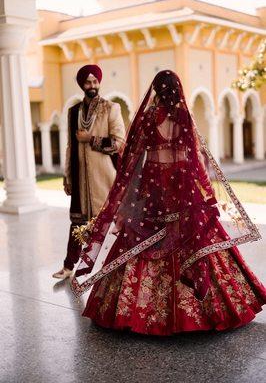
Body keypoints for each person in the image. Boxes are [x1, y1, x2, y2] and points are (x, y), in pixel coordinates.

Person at [71, 70, 266, 336]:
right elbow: (196, 159)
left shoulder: (148, 118)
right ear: (177, 89)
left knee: (143, 241)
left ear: (156, 91)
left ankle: (132, 312)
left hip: (153, 190)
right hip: (182, 188)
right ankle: (208, 311)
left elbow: (132, 157)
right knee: (195, 239)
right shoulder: (184, 116)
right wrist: (206, 193)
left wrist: (129, 192)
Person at [52, 64, 125, 279]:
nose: (92, 85)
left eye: (95, 81)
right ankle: (68, 267)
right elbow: (69, 146)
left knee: (112, 224)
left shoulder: (111, 108)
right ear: (82, 85)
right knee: (77, 224)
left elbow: (119, 143)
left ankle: (119, 267)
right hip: (80, 178)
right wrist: (68, 177)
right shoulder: (73, 112)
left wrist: (91, 139)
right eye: (87, 82)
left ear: (99, 82)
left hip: (105, 177)